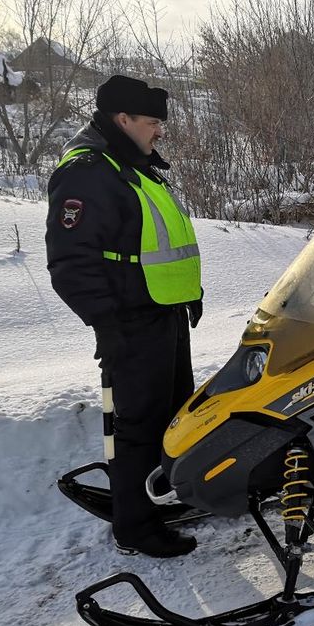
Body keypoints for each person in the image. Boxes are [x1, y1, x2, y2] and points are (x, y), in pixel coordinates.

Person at [46, 75, 202, 557]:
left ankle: (162, 496)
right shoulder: (90, 172)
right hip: (131, 323)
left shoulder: (134, 165)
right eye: (152, 122)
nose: (159, 131)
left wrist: (187, 294)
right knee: (137, 428)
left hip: (164, 315)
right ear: (123, 119)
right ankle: (135, 527)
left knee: (174, 417)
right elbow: (70, 261)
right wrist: (105, 323)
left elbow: (158, 243)